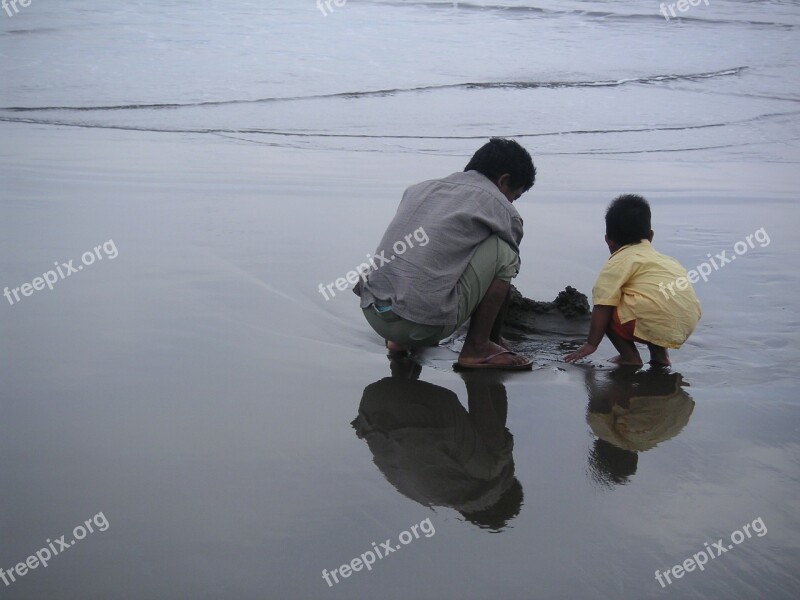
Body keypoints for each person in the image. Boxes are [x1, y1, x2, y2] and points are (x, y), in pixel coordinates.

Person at [354, 138, 536, 371]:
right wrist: (494, 336)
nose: (512, 202)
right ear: (504, 180)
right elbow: (505, 264)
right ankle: (478, 347)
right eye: (515, 195)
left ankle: (398, 342)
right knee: (506, 253)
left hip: (374, 313)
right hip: (421, 326)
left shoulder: (419, 189)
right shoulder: (502, 208)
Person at [564, 194, 701, 366]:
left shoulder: (617, 261)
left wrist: (592, 344)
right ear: (650, 236)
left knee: (609, 308)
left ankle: (630, 357)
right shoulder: (668, 261)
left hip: (652, 319)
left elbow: (602, 304)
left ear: (608, 241)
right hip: (686, 322)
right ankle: (661, 358)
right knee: (652, 302)